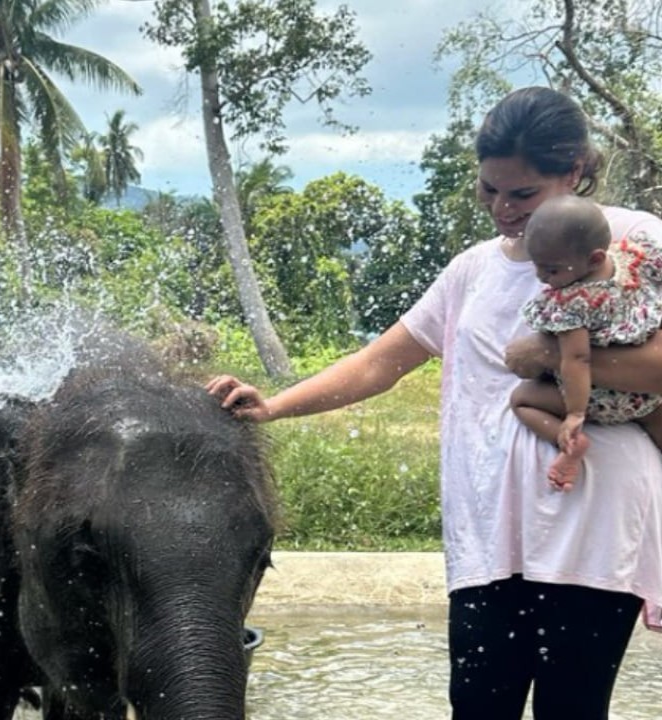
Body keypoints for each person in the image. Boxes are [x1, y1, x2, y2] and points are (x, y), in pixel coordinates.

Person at [207, 86, 662, 719]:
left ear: (576, 170)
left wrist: (549, 358)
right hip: (488, 533)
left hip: (592, 520)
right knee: (476, 708)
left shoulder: (631, 241)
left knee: (573, 709)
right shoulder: (471, 271)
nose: (503, 209)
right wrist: (276, 405)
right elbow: (381, 363)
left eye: (523, 193)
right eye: (489, 190)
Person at [510, 194, 662, 491]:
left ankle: (568, 444)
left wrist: (575, 413)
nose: (542, 278)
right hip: (648, 392)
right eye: (536, 266)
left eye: (551, 270)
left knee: (521, 400)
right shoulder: (636, 259)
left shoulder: (572, 303)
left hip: (613, 398)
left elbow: (577, 360)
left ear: (594, 258)